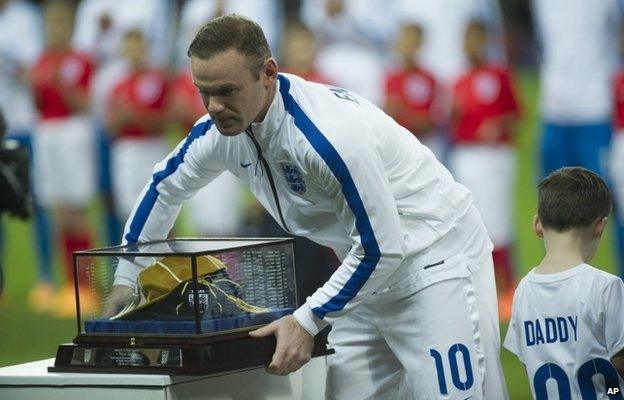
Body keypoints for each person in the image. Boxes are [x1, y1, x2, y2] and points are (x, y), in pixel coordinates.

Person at [106, 15, 507, 399]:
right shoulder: (221, 131)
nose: (212, 107)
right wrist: (127, 277)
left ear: (268, 73)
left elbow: (383, 245)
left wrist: (306, 320)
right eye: (203, 91)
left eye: (226, 91)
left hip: (437, 265)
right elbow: (164, 186)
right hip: (365, 275)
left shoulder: (330, 136)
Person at [504, 167, 624, 398]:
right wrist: (612, 390)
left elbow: (528, 364)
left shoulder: (523, 292)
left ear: (538, 225)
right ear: (600, 226)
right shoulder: (604, 287)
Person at [530, 0, 624, 275]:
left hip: (596, 108)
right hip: (553, 109)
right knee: (554, 212)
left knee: (614, 208)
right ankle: (560, 288)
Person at [448, 20, 521, 321]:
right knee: (475, 219)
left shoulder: (499, 74)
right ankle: (482, 287)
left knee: (500, 219)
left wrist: (498, 125)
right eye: (468, 40)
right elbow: (453, 123)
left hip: (497, 155)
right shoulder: (459, 80)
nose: (473, 46)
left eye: (478, 39)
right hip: (469, 155)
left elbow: (516, 112)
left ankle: (507, 287)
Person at [30, 0, 96, 317]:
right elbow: (37, 102)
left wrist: (59, 82)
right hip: (47, 131)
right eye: (51, 25)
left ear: (70, 28)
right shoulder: (41, 60)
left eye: (61, 24)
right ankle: (66, 284)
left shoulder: (79, 61)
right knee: (56, 208)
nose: (55, 31)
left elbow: (85, 103)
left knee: (76, 208)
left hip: (72, 129)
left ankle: (86, 284)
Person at [106, 29, 170, 221]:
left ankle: (166, 252)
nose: (134, 52)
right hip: (126, 151)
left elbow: (166, 121)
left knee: (161, 212)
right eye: (130, 48)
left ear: (146, 48)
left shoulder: (158, 80)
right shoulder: (118, 85)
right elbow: (111, 128)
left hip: (152, 148)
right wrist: (120, 120)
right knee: (130, 212)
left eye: (138, 47)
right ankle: (136, 252)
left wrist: (135, 116)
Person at [384, 22, 442, 159]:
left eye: (413, 41)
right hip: (399, 146)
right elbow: (389, 114)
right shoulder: (391, 78)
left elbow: (434, 119)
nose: (408, 47)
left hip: (426, 144)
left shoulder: (429, 78)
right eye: (405, 40)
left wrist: (405, 113)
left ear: (420, 44)